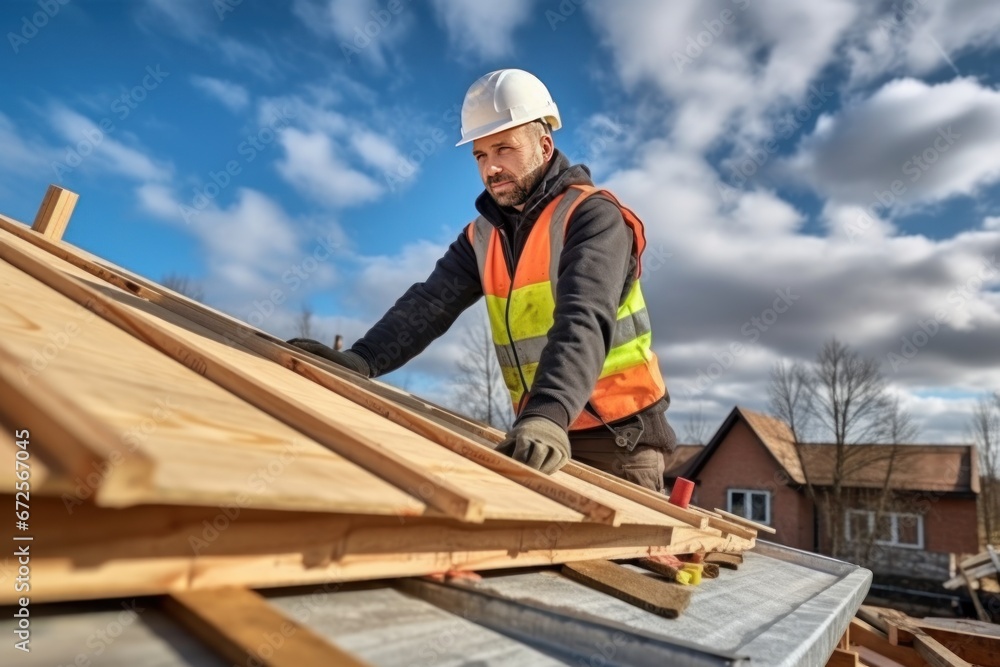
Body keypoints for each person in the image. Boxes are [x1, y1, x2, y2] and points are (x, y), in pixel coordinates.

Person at [289, 68, 676, 492]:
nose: (491, 168)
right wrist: (362, 360)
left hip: (616, 441)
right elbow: (429, 305)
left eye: (504, 149)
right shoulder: (483, 235)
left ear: (544, 146)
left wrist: (547, 414)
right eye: (480, 156)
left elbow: (584, 319)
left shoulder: (592, 216)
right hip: (537, 433)